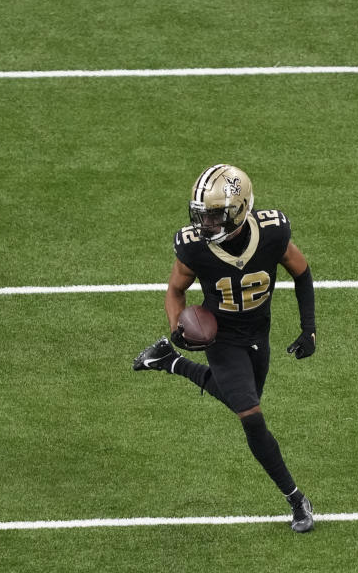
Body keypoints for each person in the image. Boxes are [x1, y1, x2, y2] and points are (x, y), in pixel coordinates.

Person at [133, 163, 318, 533]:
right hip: (220, 339)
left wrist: (308, 328)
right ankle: (296, 499)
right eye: (203, 216)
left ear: (240, 209)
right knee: (251, 417)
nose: (207, 225)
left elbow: (301, 271)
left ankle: (168, 362)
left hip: (257, 335)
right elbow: (174, 290)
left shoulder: (272, 233)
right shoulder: (194, 248)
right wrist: (176, 326)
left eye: (216, 216)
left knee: (242, 400)